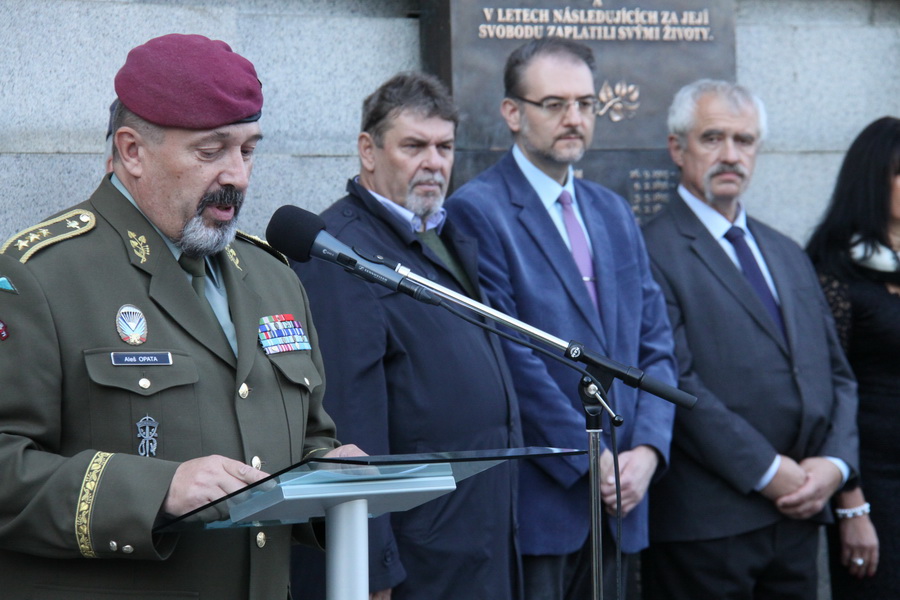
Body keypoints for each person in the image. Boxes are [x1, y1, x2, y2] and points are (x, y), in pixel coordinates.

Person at [0, 33, 360, 599]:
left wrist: (330, 474)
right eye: (211, 152)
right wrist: (155, 490)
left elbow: (308, 438)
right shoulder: (41, 275)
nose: (238, 176)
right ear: (133, 151)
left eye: (248, 150)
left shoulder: (273, 278)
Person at [445, 38, 677, 600]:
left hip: (626, 500)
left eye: (585, 104)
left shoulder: (612, 210)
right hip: (546, 500)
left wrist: (647, 451)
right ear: (513, 114)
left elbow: (655, 340)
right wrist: (590, 456)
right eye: (554, 104)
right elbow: (509, 353)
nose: (574, 119)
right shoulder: (479, 209)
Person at [289, 72, 523, 600]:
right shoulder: (341, 255)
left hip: (476, 544)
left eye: (444, 147)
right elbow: (347, 425)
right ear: (368, 151)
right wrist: (370, 572)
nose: (434, 163)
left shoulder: (438, 236)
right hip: (416, 563)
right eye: (414, 146)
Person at [640, 79, 860, 599]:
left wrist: (835, 465)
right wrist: (765, 471)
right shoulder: (651, 250)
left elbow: (837, 373)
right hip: (707, 527)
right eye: (712, 138)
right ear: (677, 148)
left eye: (745, 140)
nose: (731, 155)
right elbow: (673, 380)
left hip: (799, 519)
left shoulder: (785, 251)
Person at [806, 116, 900, 598]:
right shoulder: (834, 272)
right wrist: (852, 506)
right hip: (875, 488)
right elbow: (825, 392)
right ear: (873, 180)